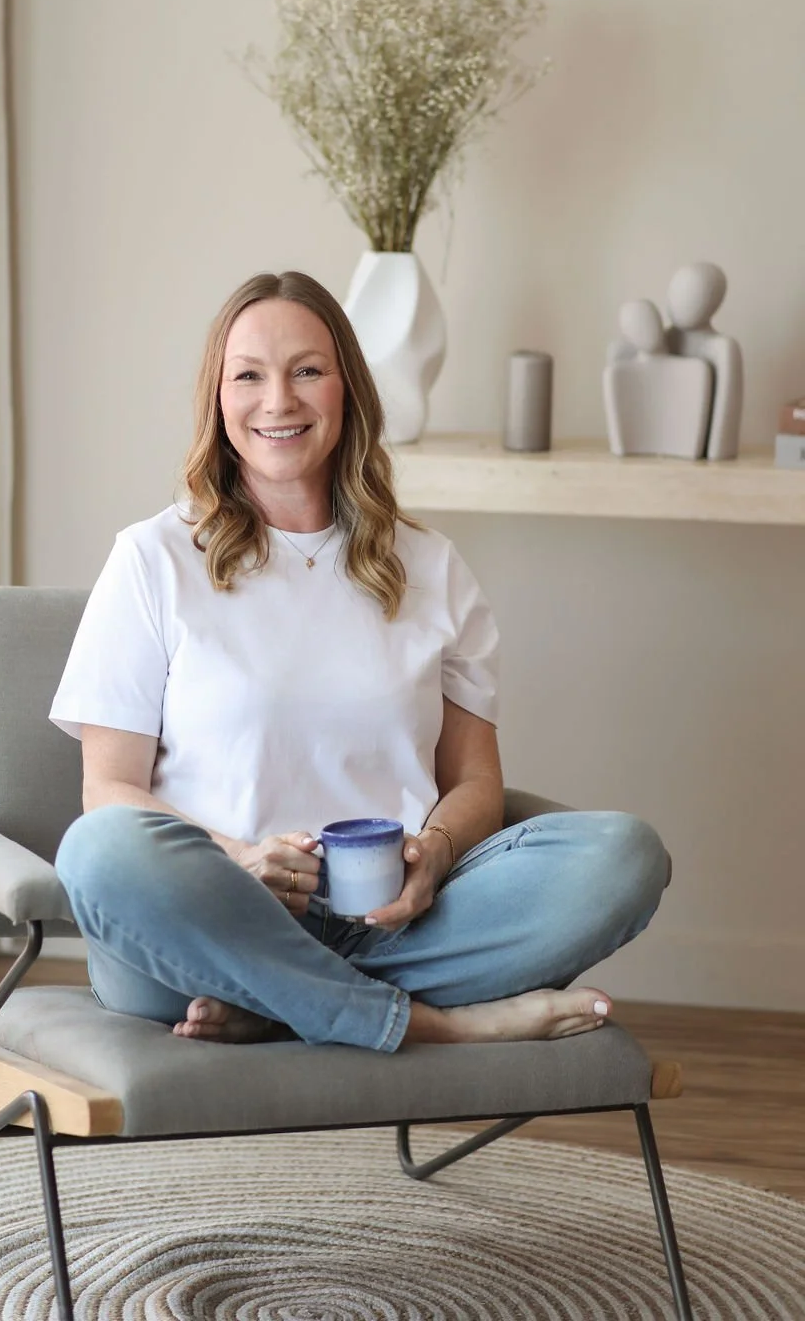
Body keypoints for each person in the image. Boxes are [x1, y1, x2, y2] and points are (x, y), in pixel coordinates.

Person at [50, 270, 670, 1052]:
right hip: (205, 925)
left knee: (624, 856)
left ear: (348, 392)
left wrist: (433, 855)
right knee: (99, 852)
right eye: (248, 376)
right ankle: (431, 1026)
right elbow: (109, 789)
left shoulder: (433, 567)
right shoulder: (152, 559)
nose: (278, 401)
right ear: (218, 399)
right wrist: (240, 859)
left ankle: (280, 1004)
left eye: (307, 370)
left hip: (391, 928)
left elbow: (475, 783)